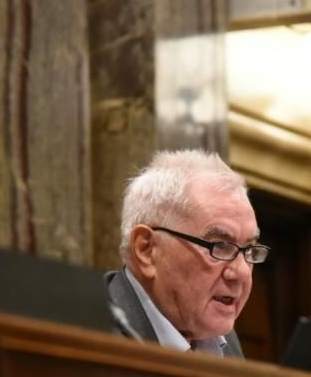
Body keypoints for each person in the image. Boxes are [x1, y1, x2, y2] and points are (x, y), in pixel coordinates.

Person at [106, 149, 269, 357]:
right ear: (146, 250)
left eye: (249, 250)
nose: (242, 273)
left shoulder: (225, 341)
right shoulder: (89, 332)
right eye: (218, 246)